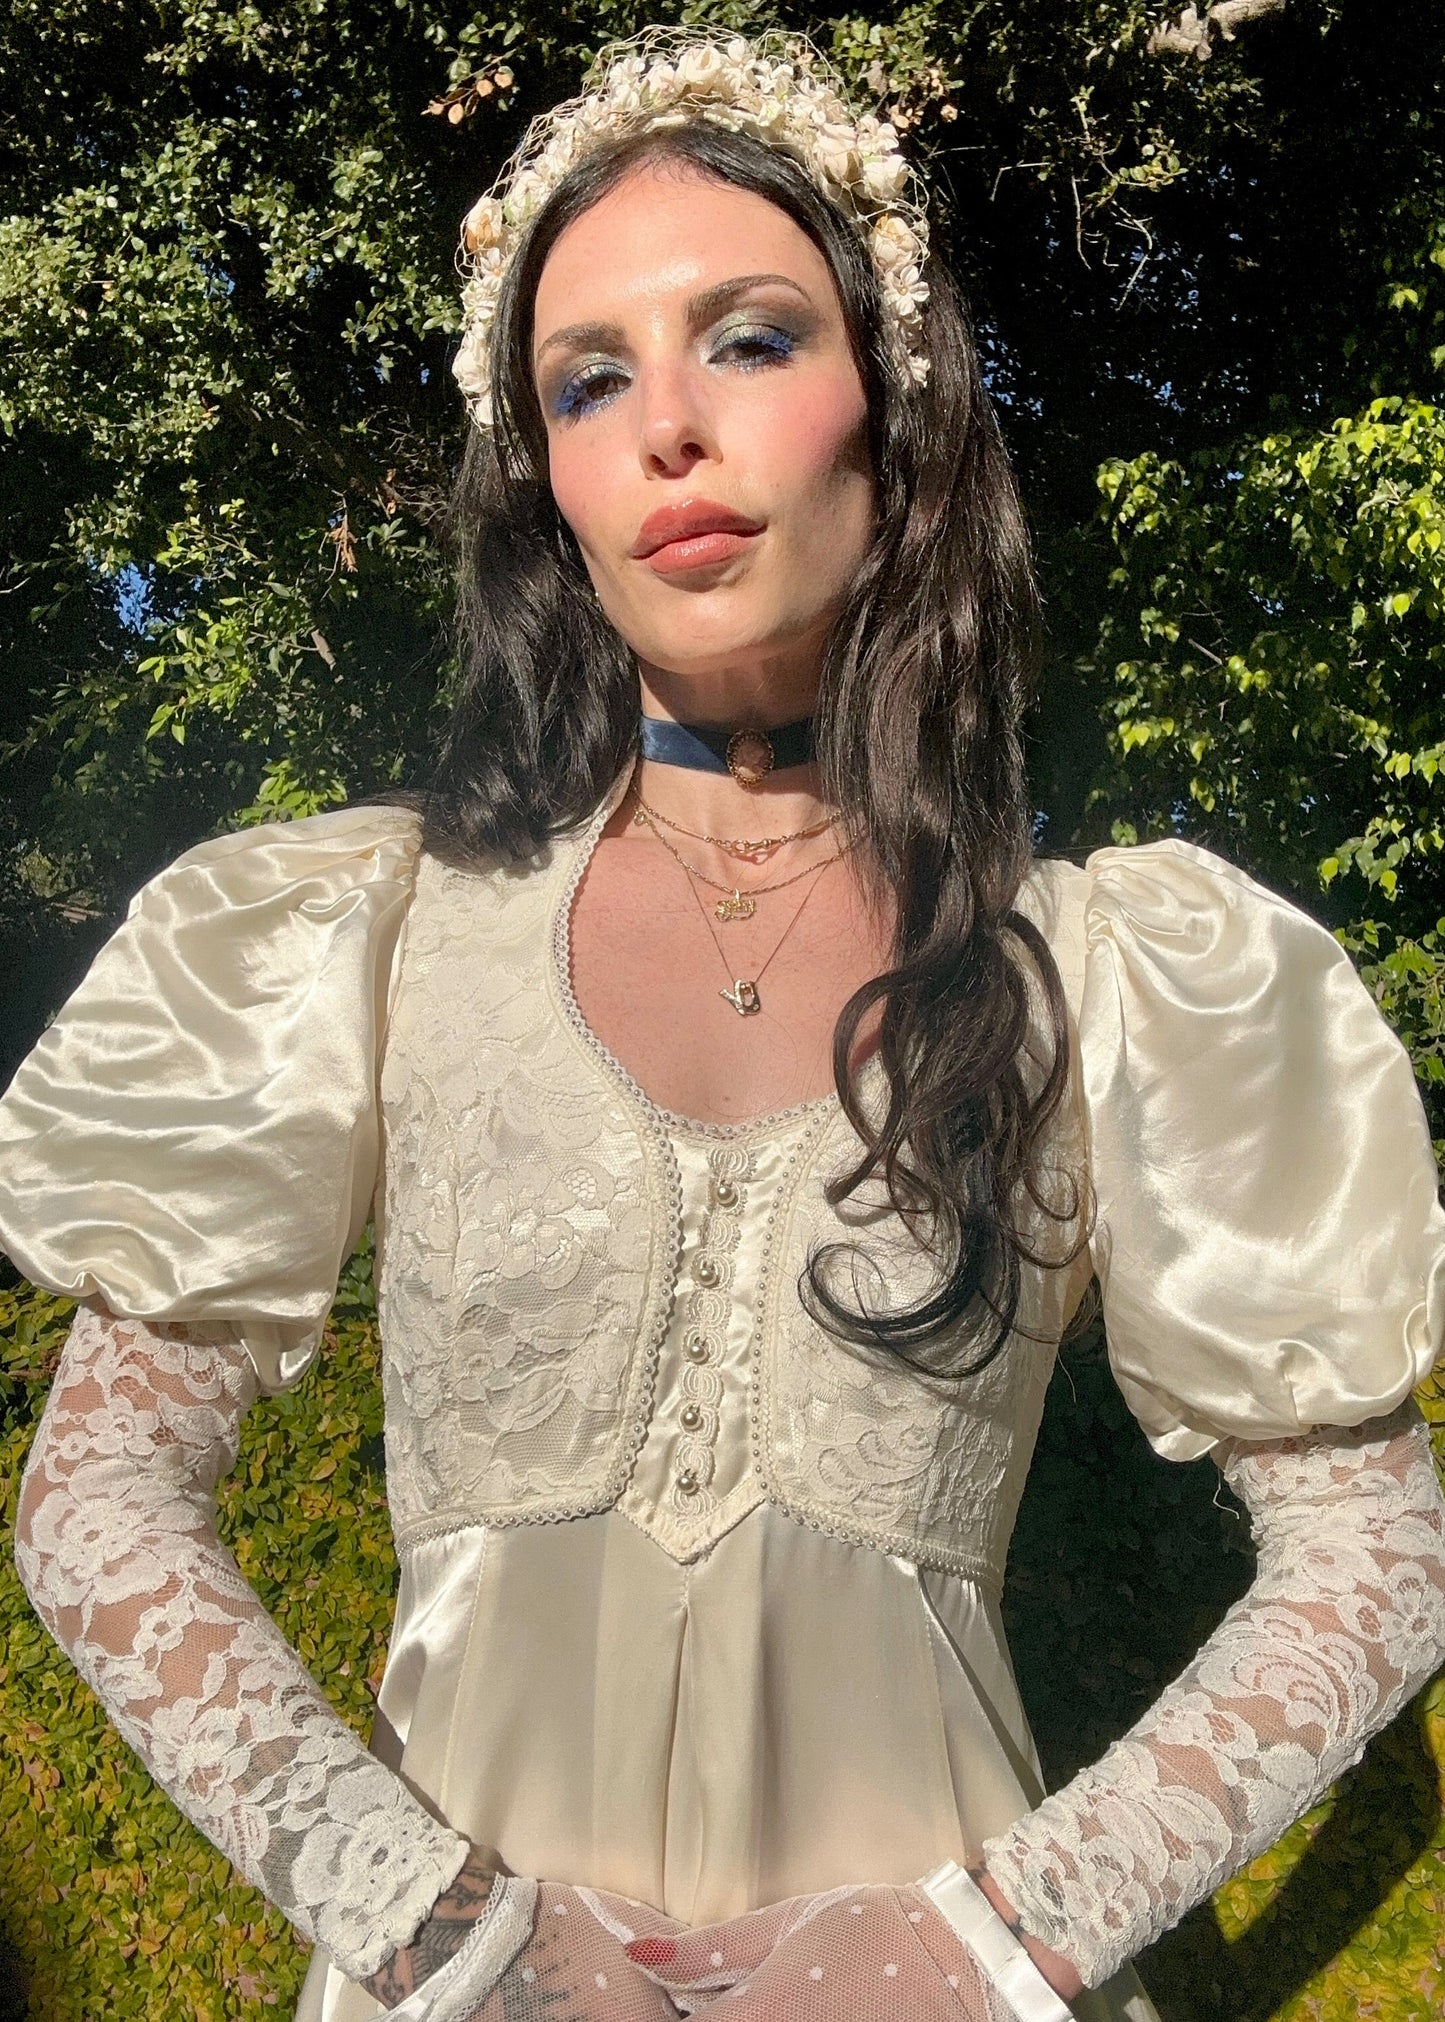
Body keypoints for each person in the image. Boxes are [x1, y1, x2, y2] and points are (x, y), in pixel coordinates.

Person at [3, 27, 1444, 2022]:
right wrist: (440, 1925)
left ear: (899, 408)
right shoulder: (363, 937)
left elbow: (1373, 1548)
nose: (667, 426)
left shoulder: (1115, 978)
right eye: (588, 381)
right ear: (547, 483)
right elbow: (97, 1496)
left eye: (749, 340)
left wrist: (999, 1937)